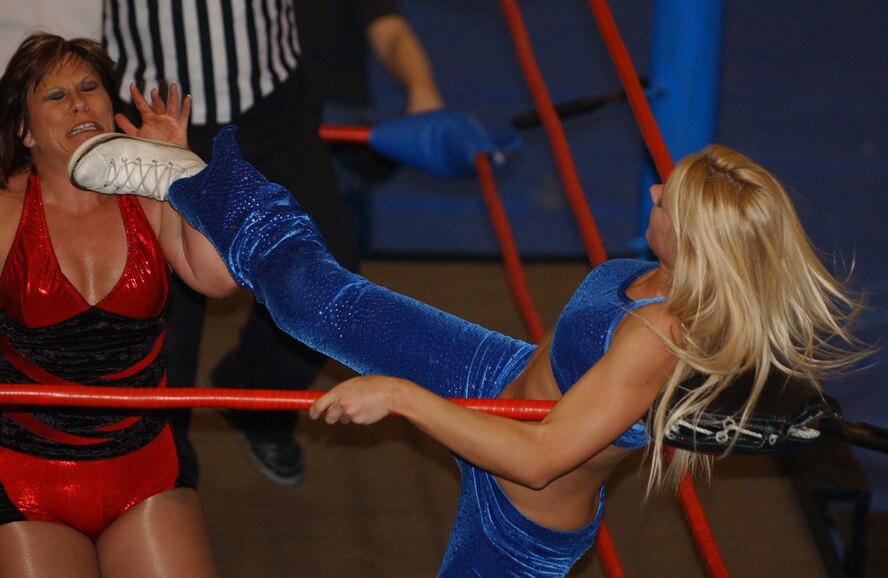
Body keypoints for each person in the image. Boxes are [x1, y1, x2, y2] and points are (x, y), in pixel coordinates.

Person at [70, 126, 866, 576]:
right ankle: (195, 183)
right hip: (494, 377)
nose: (652, 192)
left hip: (517, 521)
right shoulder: (650, 273)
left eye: (667, 197)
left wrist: (406, 398)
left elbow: (541, 455)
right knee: (317, 300)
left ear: (692, 240)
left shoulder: (656, 336)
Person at [0, 34, 237, 575]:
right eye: (54, 96)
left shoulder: (150, 191)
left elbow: (218, 279)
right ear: (24, 130)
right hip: (25, 479)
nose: (79, 102)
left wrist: (180, 167)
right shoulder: (8, 207)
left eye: (89, 88)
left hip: (146, 470)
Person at [103, 0, 361, 485]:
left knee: (327, 271)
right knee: (165, 303)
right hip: (150, 108)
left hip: (270, 103)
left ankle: (255, 397)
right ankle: (166, 472)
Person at [294, 1, 444, 245]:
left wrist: (422, 91)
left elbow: (390, 33)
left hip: (333, 127)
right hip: (254, 119)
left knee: (334, 245)